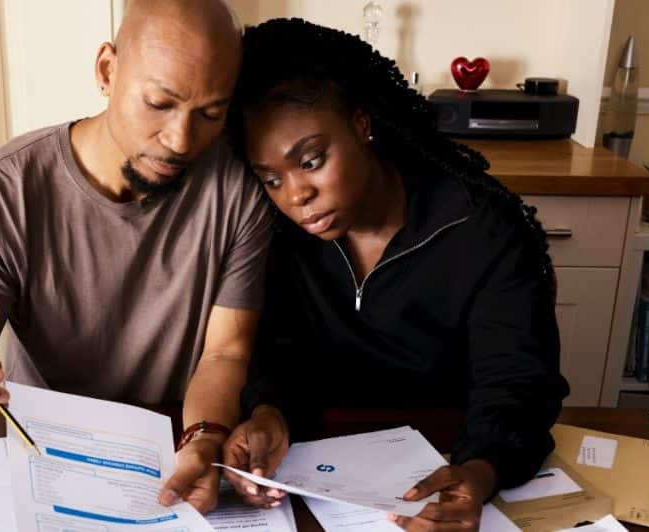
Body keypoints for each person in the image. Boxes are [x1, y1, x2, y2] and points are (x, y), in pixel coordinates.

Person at [0, 0, 271, 513]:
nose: (179, 140)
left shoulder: (237, 191)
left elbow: (225, 355)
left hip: (171, 445)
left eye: (211, 114)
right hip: (43, 453)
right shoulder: (0, 193)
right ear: (107, 71)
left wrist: (204, 439)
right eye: (159, 103)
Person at [220, 18, 570, 531]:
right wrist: (268, 413)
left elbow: (518, 385)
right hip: (318, 484)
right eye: (271, 178)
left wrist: (478, 473)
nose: (296, 195)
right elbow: (280, 354)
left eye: (311, 161)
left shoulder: (481, 231)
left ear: (361, 123)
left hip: (449, 465)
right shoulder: (281, 237)